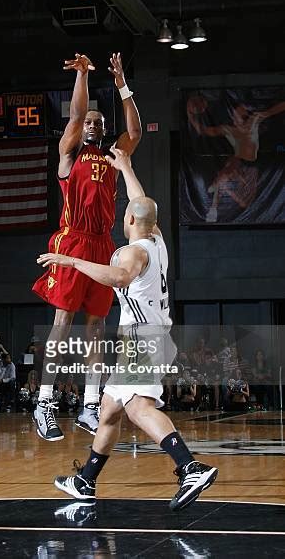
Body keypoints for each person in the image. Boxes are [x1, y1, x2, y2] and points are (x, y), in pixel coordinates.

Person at [38, 148, 218, 511]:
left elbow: (118, 277)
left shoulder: (131, 253)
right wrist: (127, 167)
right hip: (151, 337)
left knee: (138, 408)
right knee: (108, 410)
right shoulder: (157, 239)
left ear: (130, 222)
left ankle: (190, 467)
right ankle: (86, 481)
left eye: (125, 216)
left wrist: (70, 260)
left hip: (142, 339)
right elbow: (140, 200)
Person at [32, 52, 142, 441]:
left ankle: (89, 405)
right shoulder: (69, 153)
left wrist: (121, 85)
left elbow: (136, 132)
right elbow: (76, 117)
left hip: (101, 244)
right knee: (62, 323)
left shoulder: (114, 157)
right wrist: (82, 76)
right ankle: (44, 402)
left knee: (97, 328)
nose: (94, 125)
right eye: (90, 123)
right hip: (72, 240)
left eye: (100, 121)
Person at [187, 97, 285, 222]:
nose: (242, 118)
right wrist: (190, 114)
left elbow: (280, 106)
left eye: (244, 115)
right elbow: (204, 131)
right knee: (225, 172)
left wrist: (267, 112)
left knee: (244, 202)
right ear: (233, 118)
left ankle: (220, 185)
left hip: (251, 163)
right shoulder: (229, 130)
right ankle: (213, 207)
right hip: (236, 160)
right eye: (238, 115)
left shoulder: (254, 121)